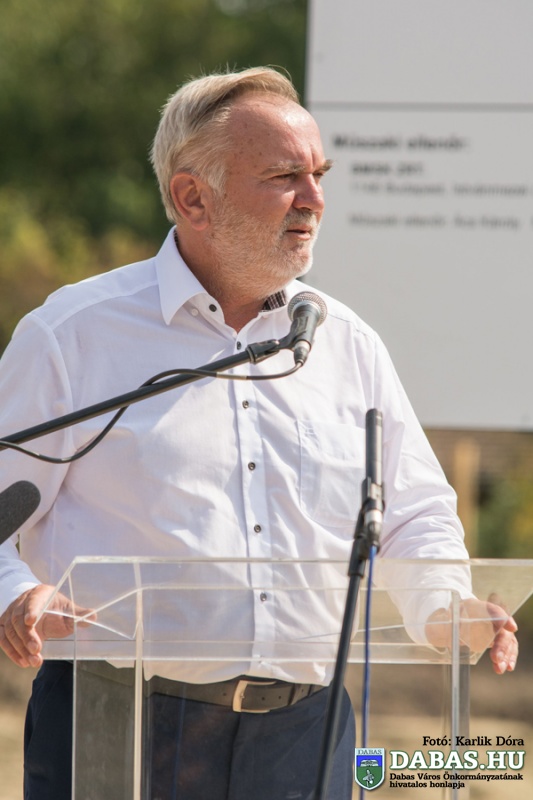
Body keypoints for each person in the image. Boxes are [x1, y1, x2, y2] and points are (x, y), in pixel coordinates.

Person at [0, 67, 518, 800]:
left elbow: (413, 512)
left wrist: (444, 607)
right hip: (119, 721)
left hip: (305, 734)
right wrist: (15, 594)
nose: (314, 199)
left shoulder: (345, 343)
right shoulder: (72, 336)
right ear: (193, 197)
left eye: (318, 175)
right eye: (283, 177)